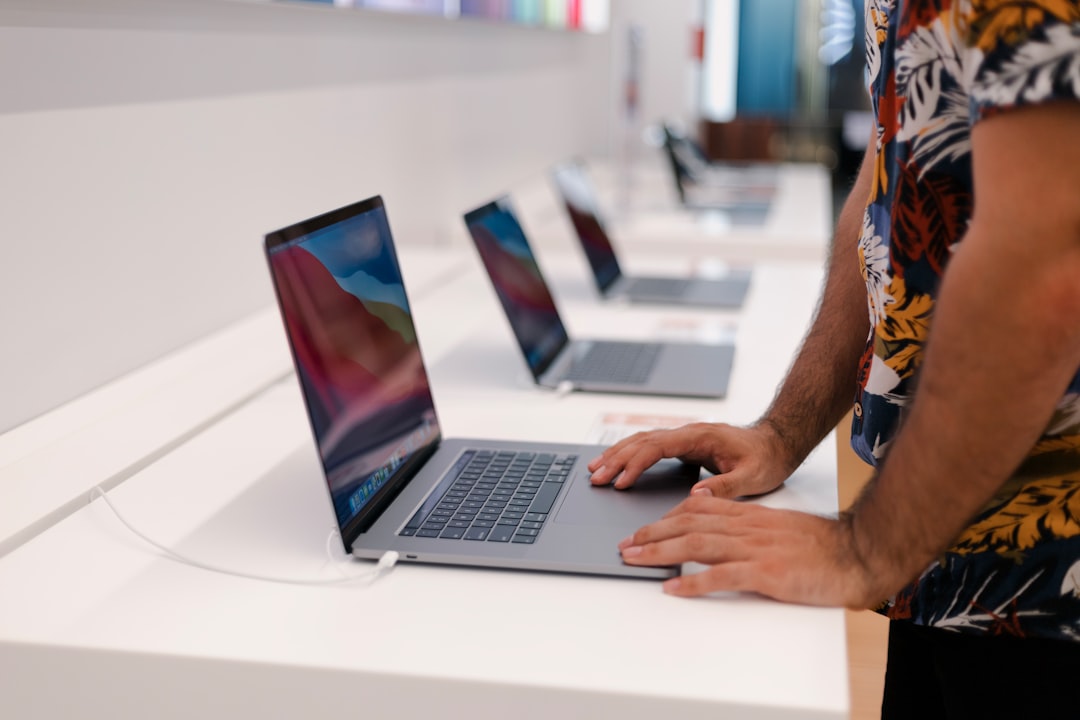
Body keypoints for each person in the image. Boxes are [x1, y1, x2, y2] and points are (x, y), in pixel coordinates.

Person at [587, 2, 1080, 716]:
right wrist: (782, 433)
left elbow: (1047, 265)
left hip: (1046, 563)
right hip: (933, 524)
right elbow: (889, 178)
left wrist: (863, 552)